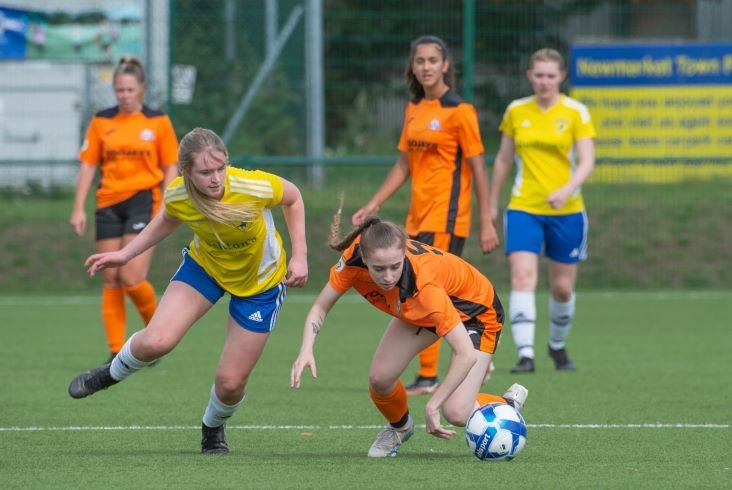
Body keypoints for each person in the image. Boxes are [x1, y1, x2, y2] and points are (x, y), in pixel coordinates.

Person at [68, 127, 308, 455]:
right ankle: (109, 374)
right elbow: (167, 218)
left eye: (220, 168)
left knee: (230, 383)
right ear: (186, 171)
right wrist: (126, 254)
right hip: (205, 269)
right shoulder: (180, 193)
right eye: (206, 172)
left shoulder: (252, 185)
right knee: (156, 341)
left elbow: (293, 198)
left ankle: (212, 426)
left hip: (260, 285)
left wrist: (300, 255)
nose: (216, 178)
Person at [291, 214, 527, 458]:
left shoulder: (424, 286)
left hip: (476, 312)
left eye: (395, 266)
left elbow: (464, 353)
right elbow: (320, 307)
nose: (388, 276)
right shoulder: (352, 262)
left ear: (404, 252)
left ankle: (506, 405)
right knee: (380, 379)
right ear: (364, 256)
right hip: (420, 310)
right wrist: (306, 348)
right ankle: (400, 428)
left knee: (455, 412)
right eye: (379, 269)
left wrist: (433, 404)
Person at [352, 35, 498, 396]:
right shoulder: (414, 108)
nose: (427, 67)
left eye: (433, 60)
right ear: (413, 66)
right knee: (422, 293)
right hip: (416, 220)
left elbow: (479, 168)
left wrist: (487, 219)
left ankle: (431, 374)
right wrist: (374, 203)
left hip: (448, 218)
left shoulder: (461, 111)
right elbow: (404, 164)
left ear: (446, 64)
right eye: (420, 61)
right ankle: (475, 358)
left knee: (426, 293)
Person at [489, 48, 596, 373]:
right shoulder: (516, 111)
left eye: (551, 75)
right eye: (539, 75)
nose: (544, 81)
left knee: (562, 288)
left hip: (568, 210)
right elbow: (504, 159)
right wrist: (493, 202)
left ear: (561, 77)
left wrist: (566, 190)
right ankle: (525, 354)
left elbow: (588, 161)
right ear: (529, 76)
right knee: (522, 277)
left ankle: (557, 346)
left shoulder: (576, 112)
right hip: (524, 207)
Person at [70, 55, 179, 362]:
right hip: (108, 203)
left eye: (130, 90)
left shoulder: (157, 121)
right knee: (111, 278)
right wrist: (78, 207)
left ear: (141, 89)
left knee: (131, 277)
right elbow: (88, 165)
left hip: (144, 201)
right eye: (119, 90)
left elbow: (170, 165)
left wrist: (168, 200)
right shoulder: (102, 120)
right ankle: (116, 350)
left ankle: (157, 336)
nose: (124, 95)